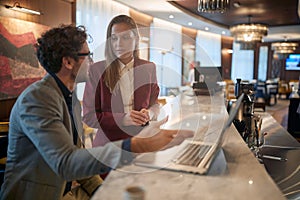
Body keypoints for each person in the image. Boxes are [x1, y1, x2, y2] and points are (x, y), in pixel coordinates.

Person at [0, 24, 193, 200]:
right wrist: (136, 145)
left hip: (67, 189)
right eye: (87, 55)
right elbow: (66, 163)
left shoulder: (68, 95)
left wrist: (102, 190)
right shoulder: (38, 99)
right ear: (68, 62)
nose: (92, 61)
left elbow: (78, 153)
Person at [83, 15, 160, 147]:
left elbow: (155, 104)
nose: (119, 44)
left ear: (136, 39)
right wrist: (123, 119)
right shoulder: (97, 70)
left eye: (125, 37)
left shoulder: (148, 68)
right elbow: (89, 116)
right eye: (114, 38)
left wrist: (150, 113)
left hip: (142, 141)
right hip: (108, 146)